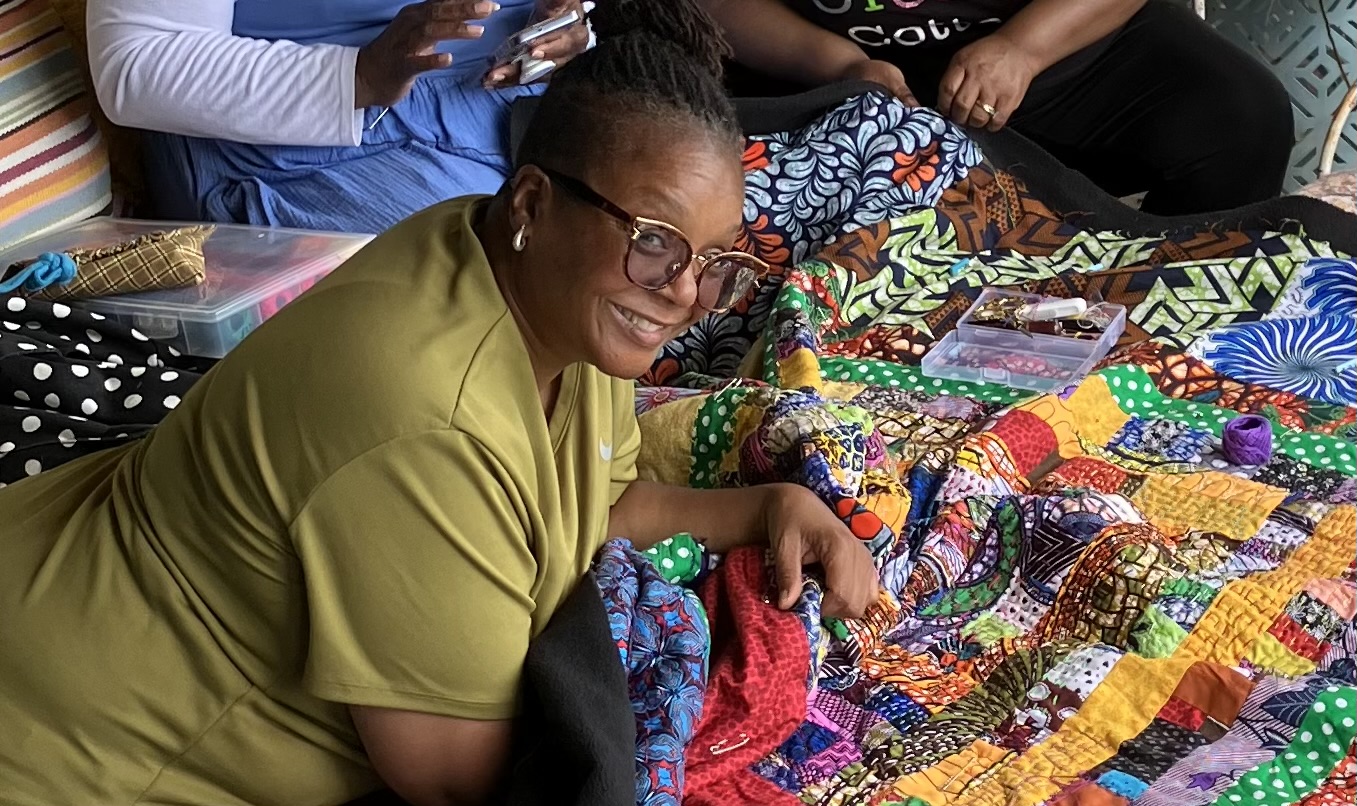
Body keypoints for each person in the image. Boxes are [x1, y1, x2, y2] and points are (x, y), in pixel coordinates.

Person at [0, 0, 880, 803]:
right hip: (83, 745)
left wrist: (768, 505)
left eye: (714, 261)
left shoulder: (515, 277)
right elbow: (460, 782)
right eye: (654, 242)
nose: (686, 294)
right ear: (533, 202)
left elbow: (584, 507)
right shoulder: (425, 416)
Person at [705, 0, 1295, 216]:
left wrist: (1024, 47)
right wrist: (837, 67)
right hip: (810, 58)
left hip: (1045, 40)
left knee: (1240, 118)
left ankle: (1159, 327)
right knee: (694, 163)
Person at [86, 0, 591, 233]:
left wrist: (571, 26)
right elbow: (136, 63)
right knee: (516, 285)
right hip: (298, 140)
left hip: (516, 97)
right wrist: (361, 75)